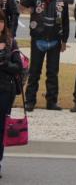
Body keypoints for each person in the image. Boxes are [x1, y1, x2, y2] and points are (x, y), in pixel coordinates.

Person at [21, 0, 69, 111]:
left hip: (55, 40)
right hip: (38, 39)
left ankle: (51, 102)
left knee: (53, 72)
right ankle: (30, 101)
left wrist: (64, 40)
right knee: (35, 72)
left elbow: (65, 21)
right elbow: (23, 3)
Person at [0, 10, 23, 179]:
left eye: (0, 21)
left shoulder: (11, 42)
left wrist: (3, 60)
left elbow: (18, 68)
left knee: (0, 128)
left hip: (4, 91)